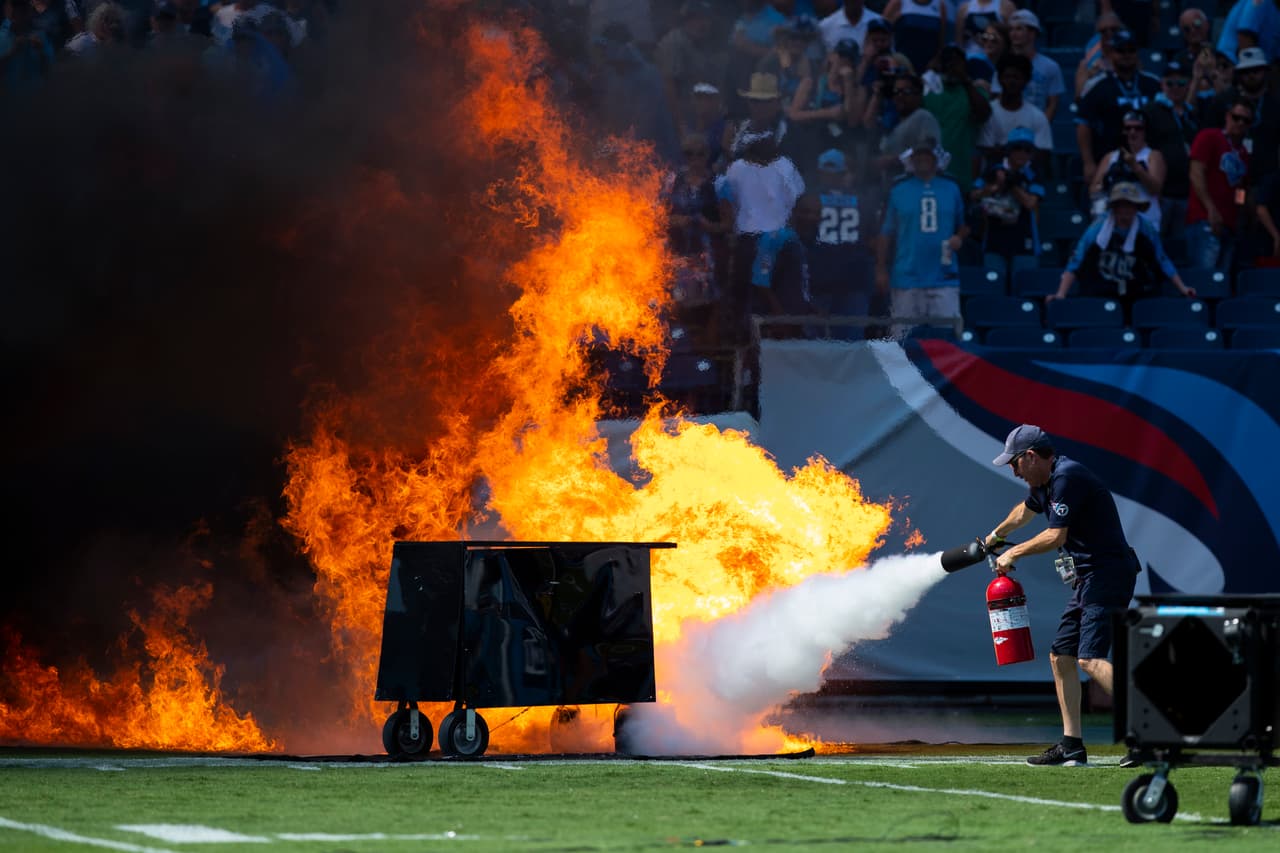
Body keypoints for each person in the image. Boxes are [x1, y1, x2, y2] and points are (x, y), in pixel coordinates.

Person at [985, 424, 1142, 767]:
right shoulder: (1042, 484)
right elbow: (1023, 511)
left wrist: (1013, 553)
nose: (1013, 470)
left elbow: (1056, 536)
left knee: (1089, 659)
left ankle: (1150, 731)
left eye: (1014, 463)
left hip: (1108, 573)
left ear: (1030, 457)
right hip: (1088, 578)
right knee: (1061, 657)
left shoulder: (1066, 477)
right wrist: (997, 535)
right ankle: (1072, 746)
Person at [1050, 182, 1196, 319]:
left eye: (1130, 205)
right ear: (1114, 207)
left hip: (1135, 291)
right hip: (1100, 290)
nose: (1125, 209)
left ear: (1136, 207)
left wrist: (1183, 288)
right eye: (1121, 205)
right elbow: (1076, 260)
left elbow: (1162, 260)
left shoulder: (1146, 230)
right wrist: (1061, 294)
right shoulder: (1097, 228)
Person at [876, 137, 967, 335]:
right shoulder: (898, 190)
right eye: (918, 156)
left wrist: (959, 237)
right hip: (907, 276)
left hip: (943, 276)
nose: (922, 159)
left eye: (927, 155)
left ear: (936, 159)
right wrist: (881, 268)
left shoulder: (952, 188)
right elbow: (885, 232)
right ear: (912, 160)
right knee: (902, 339)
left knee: (948, 340)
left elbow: (964, 224)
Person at [1075, 29, 1161, 188]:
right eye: (1121, 50)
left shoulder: (1153, 84)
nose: (1126, 55)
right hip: (1110, 158)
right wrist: (1088, 163)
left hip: (1148, 160)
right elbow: (1083, 124)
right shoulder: (1096, 86)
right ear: (1111, 53)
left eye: (1131, 50)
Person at [1187, 98, 1253, 273]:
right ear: (1227, 116)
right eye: (1236, 117)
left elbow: (1241, 188)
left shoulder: (1244, 153)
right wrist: (1211, 209)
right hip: (1204, 220)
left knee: (1221, 282)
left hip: (1229, 227)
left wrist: (1239, 211)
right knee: (1204, 278)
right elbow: (1195, 173)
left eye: (1245, 120)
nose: (1240, 123)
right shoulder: (1209, 136)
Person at [970, 126, 1042, 284]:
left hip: (1024, 238)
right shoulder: (992, 170)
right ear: (1009, 150)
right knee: (992, 286)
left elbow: (1031, 203)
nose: (1022, 153)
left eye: (1027, 149)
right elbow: (974, 194)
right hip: (995, 238)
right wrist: (994, 187)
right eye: (1017, 148)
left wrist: (1012, 184)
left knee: (1026, 286)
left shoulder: (1033, 174)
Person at [1142, 59, 1199, 244]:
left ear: (1188, 85)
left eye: (1181, 83)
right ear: (1162, 84)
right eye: (1170, 83)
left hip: (1187, 194)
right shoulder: (1150, 111)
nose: (1175, 87)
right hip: (1161, 195)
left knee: (1181, 248)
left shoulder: (1192, 114)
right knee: (1155, 245)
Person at [1087, 110, 1165, 231]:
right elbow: (1094, 190)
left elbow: (1155, 188)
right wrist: (1110, 180)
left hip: (1146, 222)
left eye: (1138, 128)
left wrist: (1135, 167)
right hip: (1115, 221)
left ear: (1145, 131)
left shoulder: (1153, 155)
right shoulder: (1110, 157)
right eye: (1128, 128)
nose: (1132, 132)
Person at [1001, 9, 1065, 121]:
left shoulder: (1050, 66)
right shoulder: (1002, 64)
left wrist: (1041, 128)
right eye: (1011, 29)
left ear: (1032, 33)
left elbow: (1052, 104)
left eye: (1019, 29)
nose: (1013, 34)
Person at [882, 0, 947, 75]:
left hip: (928, 69)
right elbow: (882, 35)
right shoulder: (898, 3)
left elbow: (941, 41)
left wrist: (935, 61)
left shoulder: (940, 5)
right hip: (900, 66)